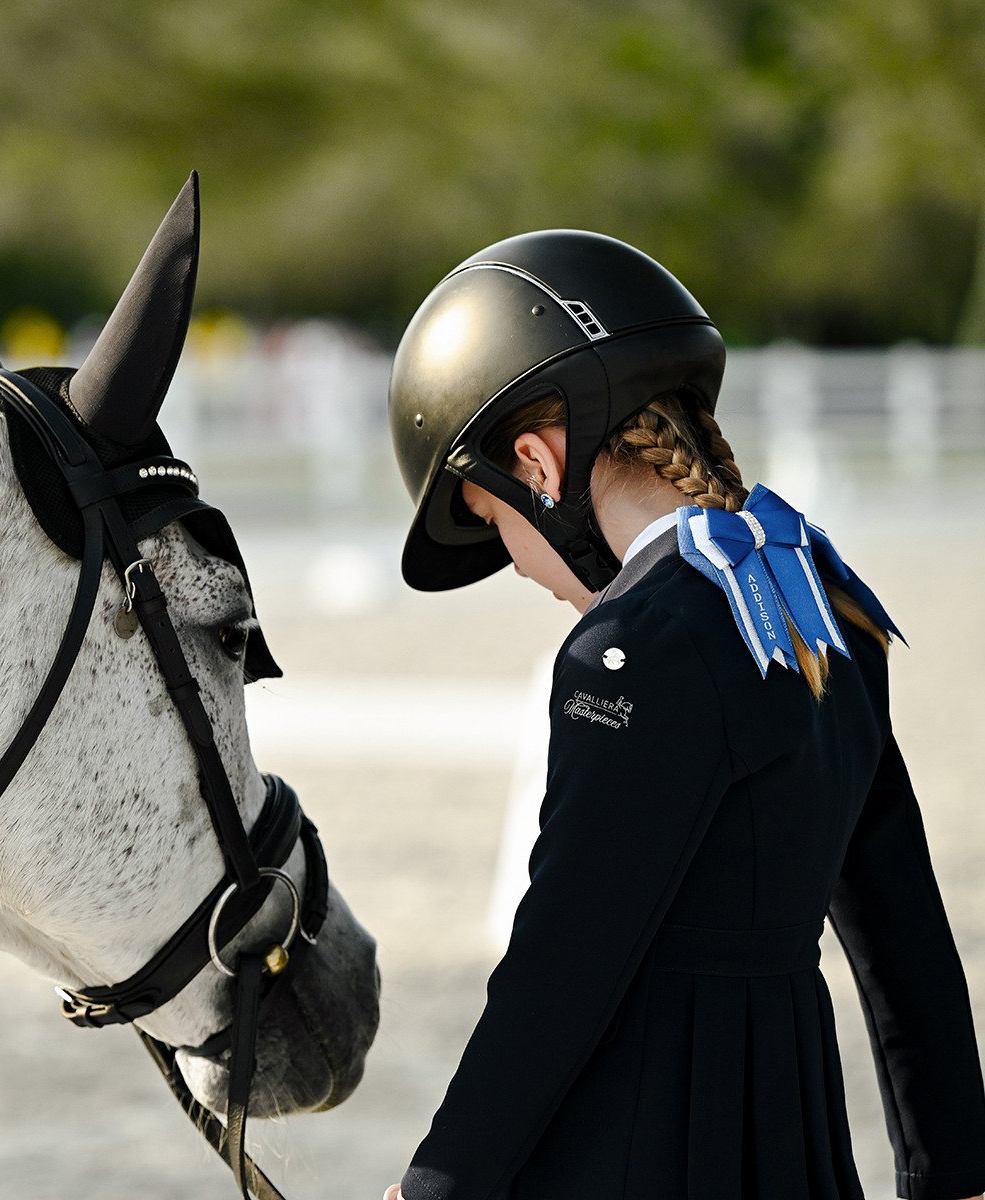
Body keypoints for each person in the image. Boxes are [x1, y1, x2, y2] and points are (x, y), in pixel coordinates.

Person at [379, 230, 985, 1200]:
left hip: (637, 1151)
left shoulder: (630, 648)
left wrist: (438, 1182)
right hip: (791, 1141)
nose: (522, 571)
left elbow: (564, 964)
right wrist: (952, 1169)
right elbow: (902, 930)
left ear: (536, 463)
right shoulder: (819, 595)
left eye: (496, 530)